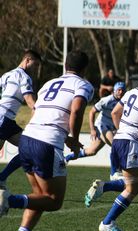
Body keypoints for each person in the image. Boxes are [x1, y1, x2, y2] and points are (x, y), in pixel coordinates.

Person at [0, 50, 94, 231]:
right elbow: (76, 110)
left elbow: (43, 112)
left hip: (28, 138)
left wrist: (65, 136)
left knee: (39, 195)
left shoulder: (48, 83)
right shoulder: (84, 85)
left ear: (65, 66)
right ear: (85, 69)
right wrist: (73, 139)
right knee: (53, 201)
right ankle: (8, 200)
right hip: (47, 144)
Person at [84, 62, 138, 231]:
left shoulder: (132, 91)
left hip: (118, 140)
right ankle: (107, 223)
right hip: (130, 144)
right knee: (132, 187)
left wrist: (122, 131)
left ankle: (104, 187)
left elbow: (116, 113)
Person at [65, 81, 126, 179]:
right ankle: (114, 172)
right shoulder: (107, 100)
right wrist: (92, 128)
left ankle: (67, 158)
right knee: (116, 144)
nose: (120, 92)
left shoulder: (124, 102)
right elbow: (92, 112)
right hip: (102, 126)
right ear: (114, 91)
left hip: (111, 128)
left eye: (123, 90)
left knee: (92, 151)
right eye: (118, 90)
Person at [0, 49, 41, 188]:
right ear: (27, 60)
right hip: (3, 119)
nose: (36, 69)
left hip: (8, 120)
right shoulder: (24, 77)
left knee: (29, 149)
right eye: (35, 65)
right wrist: (40, 115)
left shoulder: (6, 75)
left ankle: (1, 178)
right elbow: (30, 101)